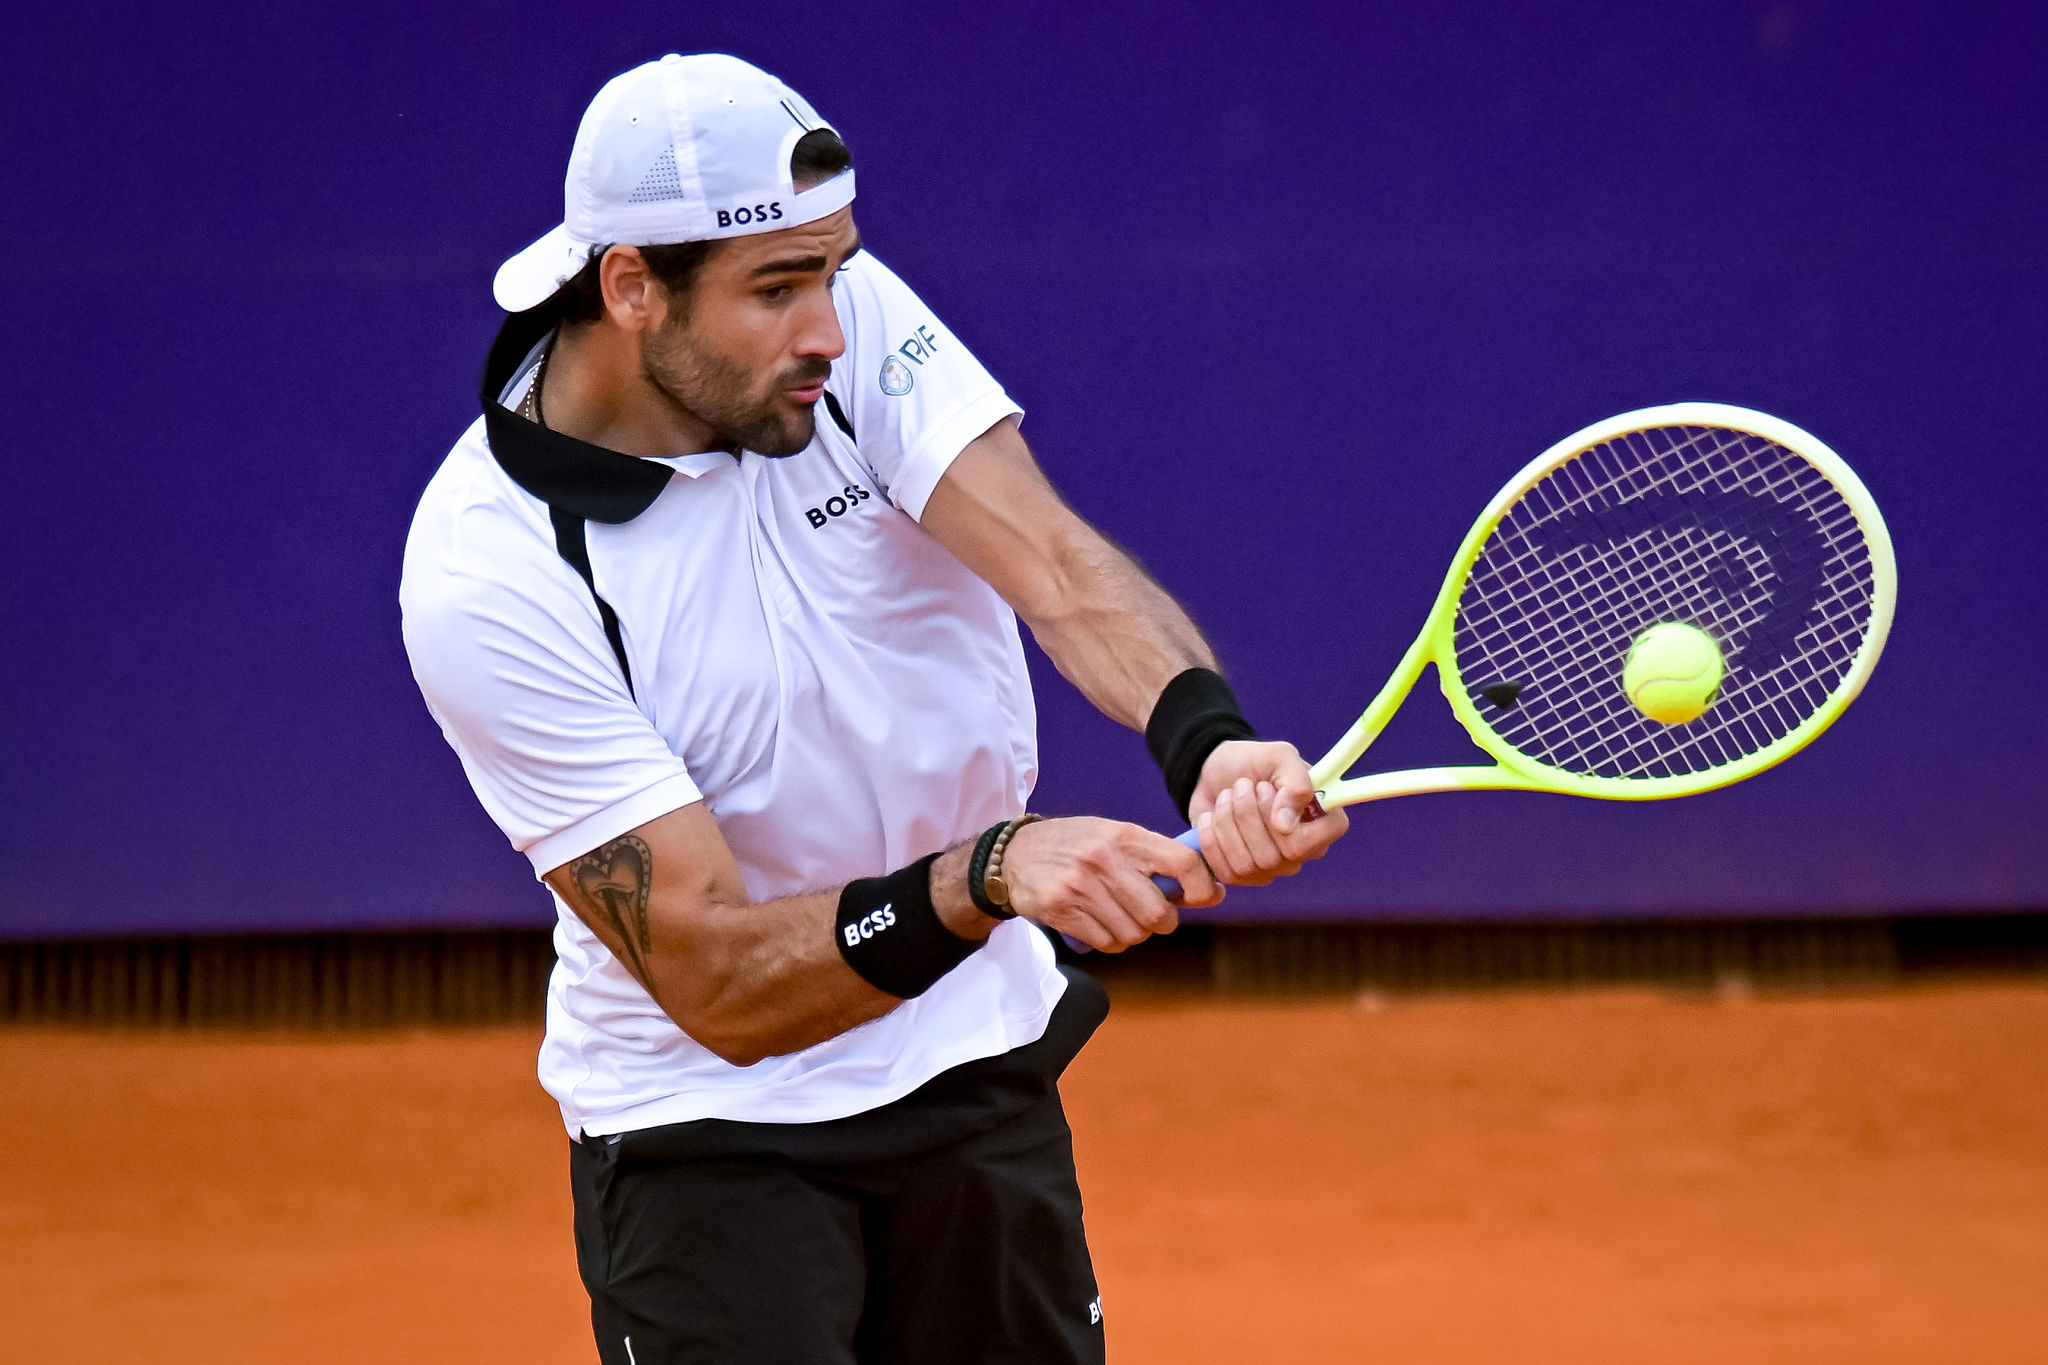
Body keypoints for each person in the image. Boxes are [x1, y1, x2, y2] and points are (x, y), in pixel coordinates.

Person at [399, 52, 1347, 1365]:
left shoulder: (836, 333)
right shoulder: (491, 569)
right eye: (776, 289)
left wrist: (1207, 742)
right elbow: (720, 978)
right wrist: (990, 872)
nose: (830, 331)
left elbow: (1055, 564)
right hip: (706, 1140)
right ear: (630, 287)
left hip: (973, 1068)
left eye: (834, 271)